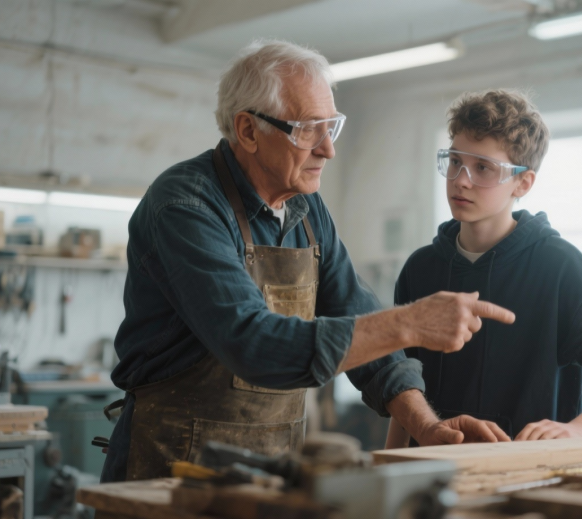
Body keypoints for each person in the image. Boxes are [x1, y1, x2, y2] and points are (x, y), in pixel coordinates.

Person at [102, 41, 514, 482]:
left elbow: (360, 319)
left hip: (272, 474)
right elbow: (253, 344)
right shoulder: (186, 206)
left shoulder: (306, 209)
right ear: (248, 131)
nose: (327, 150)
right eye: (307, 130)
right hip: (168, 472)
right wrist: (410, 322)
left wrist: (427, 427)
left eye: (330, 127)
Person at [386, 90, 582, 447]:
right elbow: (404, 384)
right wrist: (390, 462)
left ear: (523, 183)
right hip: (433, 476)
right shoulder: (420, 268)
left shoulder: (559, 266)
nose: (461, 179)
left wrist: (580, 430)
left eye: (483, 167)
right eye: (455, 161)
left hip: (533, 475)